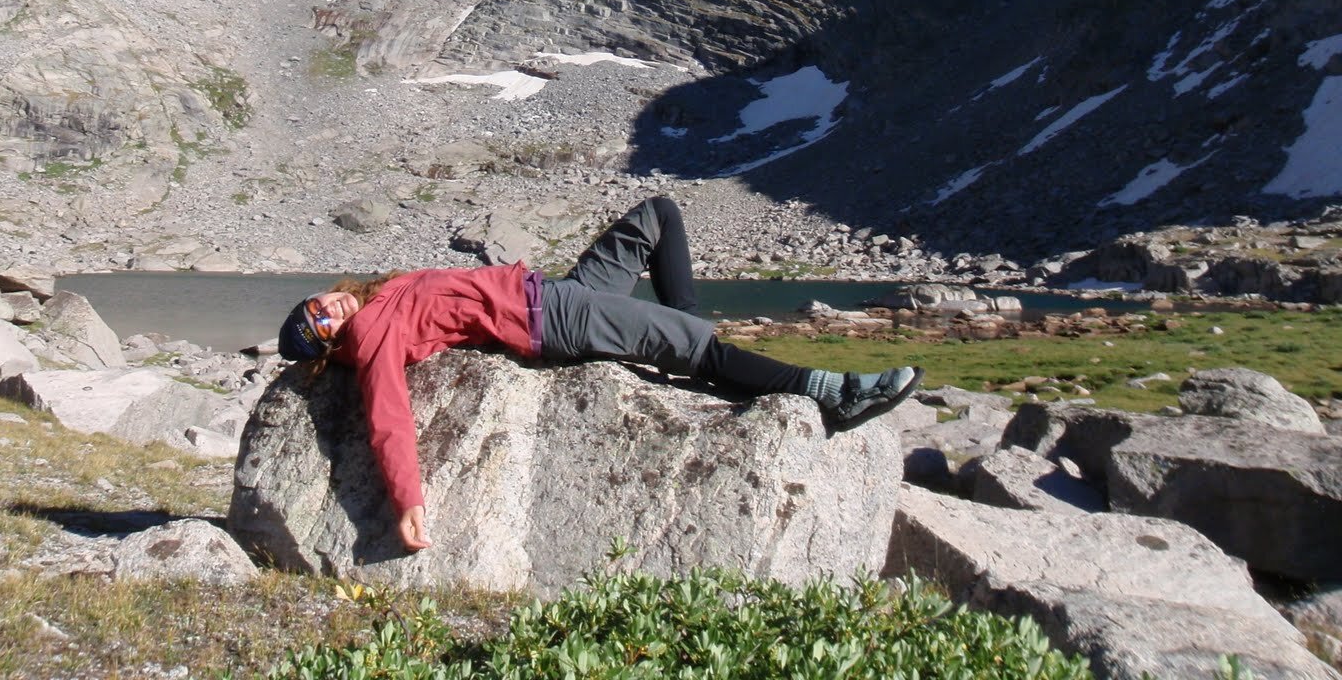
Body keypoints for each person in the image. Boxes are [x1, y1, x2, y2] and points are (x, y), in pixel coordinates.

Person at [276, 196, 922, 552]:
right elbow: (389, 419)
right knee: (694, 344)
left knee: (658, 214)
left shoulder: (375, 296)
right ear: (332, 346)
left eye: (318, 305)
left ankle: (685, 338)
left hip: (553, 293)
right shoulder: (372, 335)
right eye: (322, 326)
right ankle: (830, 395)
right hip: (550, 322)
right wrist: (407, 503)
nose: (329, 311)